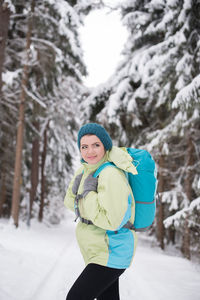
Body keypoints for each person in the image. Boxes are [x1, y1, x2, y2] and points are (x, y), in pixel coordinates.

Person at [64, 123, 138, 300]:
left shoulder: (111, 174)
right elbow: (68, 202)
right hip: (97, 249)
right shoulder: (84, 170)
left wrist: (87, 195)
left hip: (111, 250)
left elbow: (112, 221)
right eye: (84, 146)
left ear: (105, 145)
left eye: (96, 145)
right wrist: (79, 199)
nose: (90, 151)